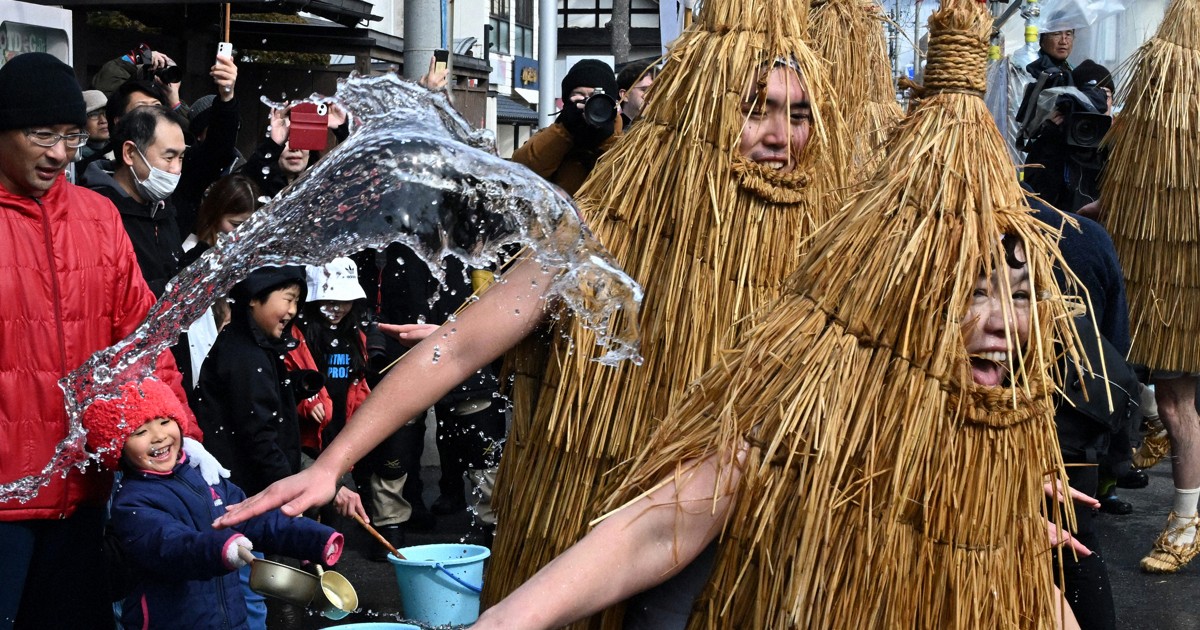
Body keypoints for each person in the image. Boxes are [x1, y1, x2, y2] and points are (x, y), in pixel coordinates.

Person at [216, 2, 1085, 628]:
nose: (780, 135)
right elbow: (463, 343)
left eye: (800, 116)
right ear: (709, 108)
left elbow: (918, 380)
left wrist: (990, 493)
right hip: (623, 531)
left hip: (781, 554)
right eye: (757, 111)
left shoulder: (844, 238)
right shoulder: (617, 223)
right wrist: (336, 461)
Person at [0, 51, 207, 630]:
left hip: (84, 492)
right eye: (42, 135)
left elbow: (141, 341)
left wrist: (182, 433)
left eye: (71, 136)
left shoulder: (98, 217)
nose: (59, 153)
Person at [83, 378, 343, 630]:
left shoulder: (204, 477)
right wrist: (221, 549)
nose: (159, 436)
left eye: (165, 421)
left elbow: (251, 518)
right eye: (140, 432)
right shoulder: (132, 501)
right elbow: (170, 546)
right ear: (119, 446)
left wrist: (314, 538)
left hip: (230, 620)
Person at [194, 266, 315, 497]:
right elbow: (258, 433)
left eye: (297, 302)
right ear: (254, 297)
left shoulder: (252, 344)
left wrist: (296, 385)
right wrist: (286, 489)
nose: (293, 310)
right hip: (247, 490)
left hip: (248, 486)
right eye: (288, 299)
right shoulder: (245, 354)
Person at [80, 105, 187, 296]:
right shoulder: (94, 215)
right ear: (130, 153)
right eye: (169, 157)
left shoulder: (162, 207)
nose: (176, 169)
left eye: (181, 158)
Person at [510, 58, 623, 196]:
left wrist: (607, 137)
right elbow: (522, 170)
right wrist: (565, 129)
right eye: (579, 95)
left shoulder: (626, 141)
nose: (587, 103)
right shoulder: (553, 134)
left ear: (610, 101)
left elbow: (626, 181)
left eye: (595, 97)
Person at [616, 59, 657, 128]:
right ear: (624, 95)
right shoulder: (614, 130)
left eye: (656, 90)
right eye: (645, 89)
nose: (652, 95)